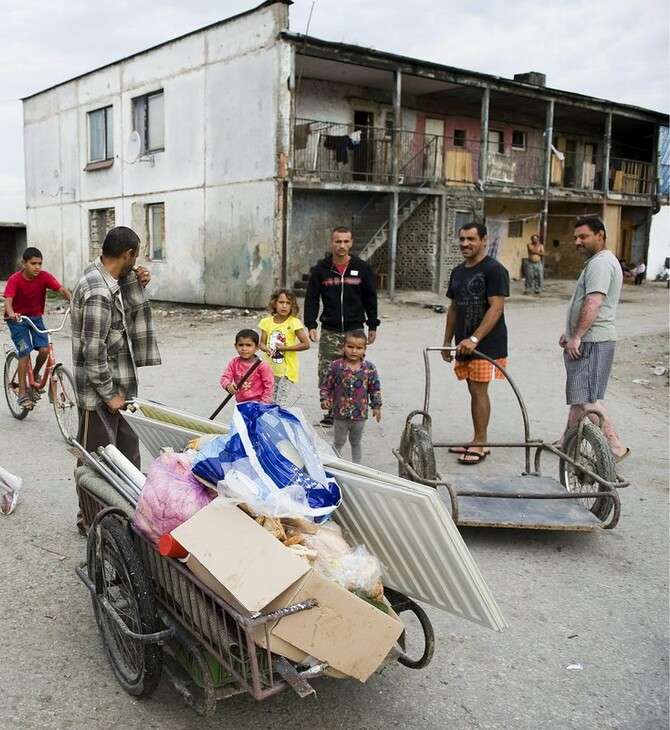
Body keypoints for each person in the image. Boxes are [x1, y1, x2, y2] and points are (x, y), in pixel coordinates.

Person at [71, 226, 161, 470]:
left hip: (122, 389)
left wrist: (136, 280)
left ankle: (125, 509)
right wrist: (110, 395)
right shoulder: (97, 291)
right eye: (136, 257)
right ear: (127, 254)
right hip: (100, 396)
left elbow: (127, 312)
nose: (136, 263)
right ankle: (89, 510)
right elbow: (93, 350)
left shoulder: (106, 275)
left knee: (128, 461)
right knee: (96, 466)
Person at [556, 217, 629, 461]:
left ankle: (615, 444)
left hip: (593, 341)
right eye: (576, 237)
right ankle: (567, 440)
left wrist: (577, 336)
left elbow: (594, 301)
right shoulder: (598, 262)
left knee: (586, 398)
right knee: (580, 395)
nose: (578, 241)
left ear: (600, 235)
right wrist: (570, 332)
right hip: (588, 338)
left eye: (583, 236)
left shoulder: (600, 264)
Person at [441, 222, 509, 465]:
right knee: (473, 389)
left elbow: (497, 307)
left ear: (484, 240)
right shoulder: (458, 271)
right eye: (462, 239)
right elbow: (454, 308)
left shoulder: (494, 270)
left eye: (471, 239)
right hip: (463, 344)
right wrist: (447, 340)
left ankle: (481, 443)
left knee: (479, 390)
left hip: (486, 344)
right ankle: (477, 438)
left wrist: (474, 338)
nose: (465, 244)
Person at [304, 226, 379, 427]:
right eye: (338, 241)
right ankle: (331, 411)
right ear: (331, 243)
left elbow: (371, 297)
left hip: (355, 329)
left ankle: (351, 409)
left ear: (351, 243)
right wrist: (310, 323)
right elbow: (312, 298)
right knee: (328, 371)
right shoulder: (321, 269)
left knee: (353, 370)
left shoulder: (361, 268)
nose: (342, 246)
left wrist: (372, 324)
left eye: (346, 241)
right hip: (330, 329)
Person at [3, 247, 71, 410]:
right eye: (33, 263)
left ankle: (34, 375)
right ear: (24, 264)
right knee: (25, 353)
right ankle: (22, 393)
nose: (37, 267)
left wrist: (75, 303)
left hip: (35, 318)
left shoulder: (44, 277)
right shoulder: (15, 279)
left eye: (40, 263)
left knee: (45, 351)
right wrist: (12, 314)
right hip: (17, 320)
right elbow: (8, 300)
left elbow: (61, 289)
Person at [319, 329, 382, 464]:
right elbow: (326, 385)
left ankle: (357, 468)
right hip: (339, 413)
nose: (354, 351)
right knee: (338, 441)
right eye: (350, 347)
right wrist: (324, 398)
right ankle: (334, 466)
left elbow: (374, 389)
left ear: (365, 350)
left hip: (359, 414)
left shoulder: (369, 368)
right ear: (343, 347)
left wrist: (376, 406)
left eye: (359, 348)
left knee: (356, 442)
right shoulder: (336, 366)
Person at [258, 289, 310, 401]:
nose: (284, 306)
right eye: (281, 302)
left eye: (288, 303)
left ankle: (280, 418)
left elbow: (305, 344)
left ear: (292, 306)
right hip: (269, 369)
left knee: (281, 402)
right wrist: (266, 349)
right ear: (274, 304)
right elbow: (262, 343)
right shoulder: (266, 322)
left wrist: (284, 348)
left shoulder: (294, 322)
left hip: (287, 372)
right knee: (268, 400)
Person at [220, 329, 274, 404]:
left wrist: (264, 403)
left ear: (257, 347)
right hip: (241, 403)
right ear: (236, 346)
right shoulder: (234, 363)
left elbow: (269, 385)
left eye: (248, 345)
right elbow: (225, 377)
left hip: (259, 403)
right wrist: (228, 385)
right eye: (240, 345)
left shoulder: (261, 365)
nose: (244, 349)